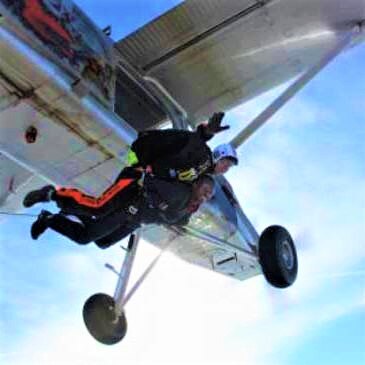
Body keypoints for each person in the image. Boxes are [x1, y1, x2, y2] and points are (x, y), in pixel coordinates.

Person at [23, 112, 238, 218]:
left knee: (103, 213)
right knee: (100, 206)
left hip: (143, 189)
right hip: (139, 173)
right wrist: (207, 131)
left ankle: (55, 209)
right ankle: (51, 194)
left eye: (228, 167)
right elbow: (190, 142)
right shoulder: (202, 157)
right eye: (226, 163)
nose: (225, 169)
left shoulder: (202, 178)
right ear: (218, 157)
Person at [29, 175, 215, 249]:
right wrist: (159, 204)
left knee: (102, 242)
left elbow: (174, 220)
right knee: (84, 237)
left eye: (209, 195)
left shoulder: (188, 210)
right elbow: (149, 182)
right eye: (205, 190)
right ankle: (49, 213)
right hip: (129, 208)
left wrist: (175, 224)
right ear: (196, 185)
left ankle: (67, 215)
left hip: (135, 222)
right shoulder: (178, 191)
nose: (205, 196)